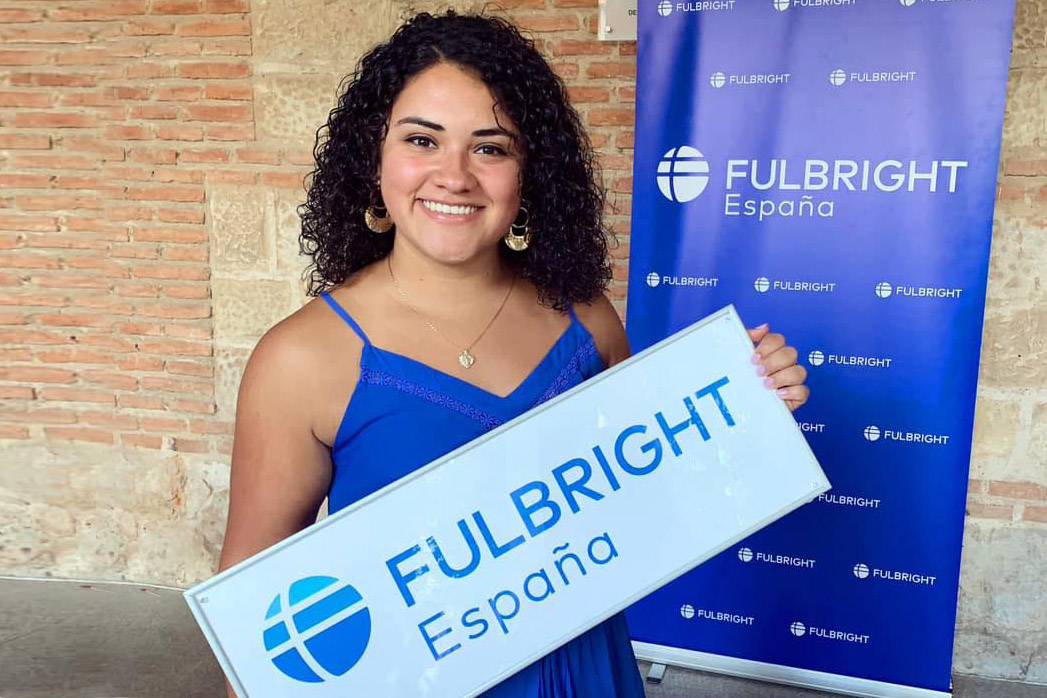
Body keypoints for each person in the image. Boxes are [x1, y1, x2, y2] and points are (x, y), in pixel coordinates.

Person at [217, 11, 809, 697]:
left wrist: (748, 406)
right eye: (421, 140)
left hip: (591, 673)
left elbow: (654, 500)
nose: (454, 175)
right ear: (372, 160)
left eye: (490, 148)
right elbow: (251, 629)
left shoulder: (585, 320)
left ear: (530, 174)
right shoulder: (302, 359)